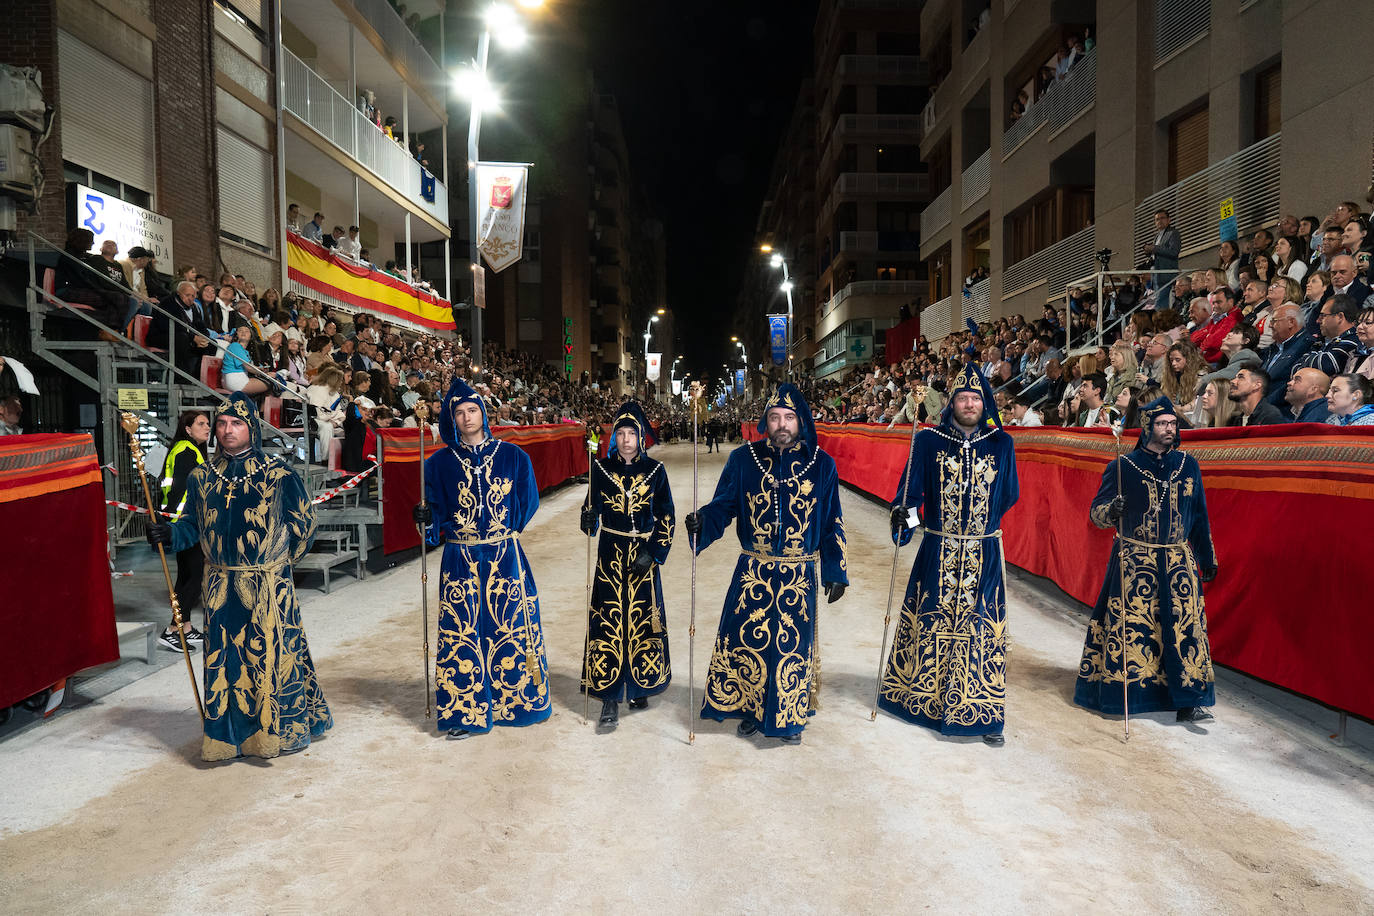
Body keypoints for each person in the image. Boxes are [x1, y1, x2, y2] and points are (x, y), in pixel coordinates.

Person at [145, 394, 332, 760]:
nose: (228, 430)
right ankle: (228, 737)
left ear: (252, 429)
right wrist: (169, 535)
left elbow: (305, 525)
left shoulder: (278, 474)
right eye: (222, 424)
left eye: (237, 423)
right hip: (218, 587)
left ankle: (274, 732)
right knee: (226, 660)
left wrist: (278, 565)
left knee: (272, 656)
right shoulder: (201, 477)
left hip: (267, 584)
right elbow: (192, 526)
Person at [683, 384, 847, 745]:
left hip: (798, 574)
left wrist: (836, 570)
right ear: (765, 422)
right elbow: (724, 505)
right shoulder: (743, 460)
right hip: (753, 571)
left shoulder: (822, 465)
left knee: (790, 645)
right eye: (775, 418)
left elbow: (832, 519)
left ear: (801, 422)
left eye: (789, 418)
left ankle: (788, 716)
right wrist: (703, 521)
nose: (782, 424)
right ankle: (751, 708)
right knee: (748, 641)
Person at [882, 364, 1019, 746]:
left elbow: (1009, 493)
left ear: (985, 403)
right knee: (932, 620)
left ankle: (983, 712)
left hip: (983, 551)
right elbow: (911, 493)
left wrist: (982, 525)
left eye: (976, 398)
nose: (970, 403)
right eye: (963, 397)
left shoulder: (1000, 443)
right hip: (938, 547)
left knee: (981, 627)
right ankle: (922, 699)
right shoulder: (928, 441)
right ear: (952, 403)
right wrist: (904, 520)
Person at [413, 379, 550, 739]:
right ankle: (466, 712)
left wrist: (505, 529)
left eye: (472, 410)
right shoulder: (439, 463)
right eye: (459, 413)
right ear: (452, 420)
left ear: (483, 413)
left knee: (512, 626)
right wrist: (427, 521)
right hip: (460, 558)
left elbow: (529, 499)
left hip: (505, 555)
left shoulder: (513, 456)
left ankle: (516, 701)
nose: (466, 417)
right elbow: (435, 512)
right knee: (464, 629)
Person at [1074, 397, 1217, 723]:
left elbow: (1199, 515)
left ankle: (1188, 699)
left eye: (1173, 424)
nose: (1170, 429)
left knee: (1182, 632)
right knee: (1136, 631)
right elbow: (1096, 514)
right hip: (1135, 562)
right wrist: (1113, 510)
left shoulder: (1188, 465)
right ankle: (1130, 694)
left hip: (1178, 563)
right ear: (1148, 427)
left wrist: (1206, 555)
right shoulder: (1122, 467)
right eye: (1163, 424)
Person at [578, 402, 675, 729]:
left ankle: (641, 683)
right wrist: (588, 519)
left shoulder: (656, 471)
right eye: (620, 433)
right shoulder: (601, 470)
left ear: (642, 437)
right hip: (610, 554)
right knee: (609, 620)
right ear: (613, 437)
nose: (626, 438)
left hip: (643, 555)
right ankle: (608, 696)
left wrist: (655, 551)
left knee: (645, 619)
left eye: (631, 433)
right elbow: (590, 517)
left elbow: (667, 515)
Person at [157, 411, 210, 652]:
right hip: (186, 524)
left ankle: (185, 627)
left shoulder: (187, 449)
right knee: (194, 577)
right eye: (201, 424)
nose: (207, 427)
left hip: (183, 522)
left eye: (208, 423)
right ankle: (172, 630)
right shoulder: (187, 451)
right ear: (187, 429)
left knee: (186, 576)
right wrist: (178, 525)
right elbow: (183, 490)